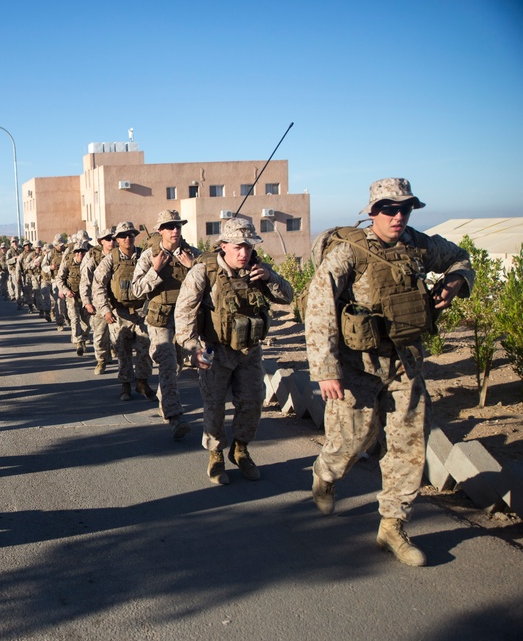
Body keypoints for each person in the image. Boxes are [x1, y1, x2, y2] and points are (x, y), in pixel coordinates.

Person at [306, 178, 474, 566]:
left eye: (405, 209)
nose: (398, 216)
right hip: (356, 367)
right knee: (351, 441)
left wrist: (456, 281)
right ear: (371, 211)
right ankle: (326, 474)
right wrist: (326, 369)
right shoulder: (349, 252)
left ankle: (393, 526)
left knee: (409, 444)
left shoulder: (419, 245)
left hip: (406, 363)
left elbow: (460, 258)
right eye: (388, 208)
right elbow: (319, 306)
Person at [174, 217, 293, 484]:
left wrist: (270, 277)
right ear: (224, 245)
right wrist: (192, 348)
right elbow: (183, 313)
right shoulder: (205, 271)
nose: (244, 253)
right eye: (238, 246)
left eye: (248, 247)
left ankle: (240, 449)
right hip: (216, 351)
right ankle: (215, 453)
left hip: (249, 352)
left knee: (252, 402)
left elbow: (288, 296)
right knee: (215, 406)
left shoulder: (257, 269)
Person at [131, 210, 200, 439]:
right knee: (168, 362)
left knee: (178, 365)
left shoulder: (191, 254)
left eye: (178, 226)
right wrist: (156, 270)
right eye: (170, 226)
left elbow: (209, 283)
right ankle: (175, 416)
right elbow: (136, 290)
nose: (175, 230)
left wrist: (193, 267)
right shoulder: (149, 256)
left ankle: (165, 401)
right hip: (159, 320)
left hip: (184, 321)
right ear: (160, 230)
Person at [93, 221, 154, 401]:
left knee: (145, 349)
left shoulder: (145, 256)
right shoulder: (110, 260)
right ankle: (125, 385)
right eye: (122, 236)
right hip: (120, 313)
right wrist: (105, 309)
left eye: (131, 235)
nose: (127, 238)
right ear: (117, 239)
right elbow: (98, 285)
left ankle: (142, 382)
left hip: (142, 312)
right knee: (123, 351)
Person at [80, 227, 115, 374]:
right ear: (101, 241)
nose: (112, 242)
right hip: (99, 302)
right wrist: (87, 302)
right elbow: (85, 281)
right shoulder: (93, 257)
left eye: (113, 238)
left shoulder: (121, 255)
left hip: (118, 302)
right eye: (108, 239)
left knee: (119, 336)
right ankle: (101, 360)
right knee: (100, 335)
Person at [56, 239, 92, 356]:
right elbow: (59, 279)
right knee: (75, 319)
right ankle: (78, 342)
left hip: (86, 297)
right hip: (72, 296)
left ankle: (84, 337)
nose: (80, 254)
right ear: (74, 252)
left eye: (83, 252)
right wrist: (66, 291)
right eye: (78, 252)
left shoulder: (90, 264)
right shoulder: (67, 262)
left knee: (87, 322)